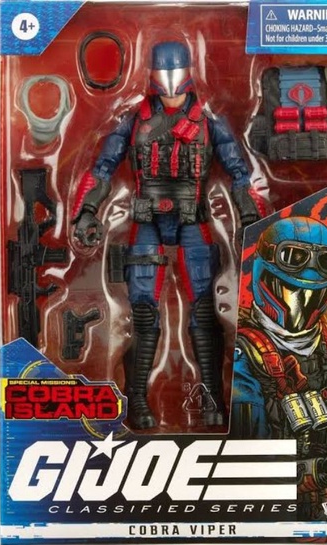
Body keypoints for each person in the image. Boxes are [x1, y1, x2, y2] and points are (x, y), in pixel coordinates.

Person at [72, 41, 261, 430]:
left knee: (204, 312)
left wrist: (249, 218)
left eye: (175, 71)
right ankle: (138, 401)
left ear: (188, 71)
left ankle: (213, 400)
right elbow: (103, 168)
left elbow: (240, 173)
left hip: (194, 219)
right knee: (144, 313)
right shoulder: (133, 119)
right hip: (147, 220)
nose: (170, 81)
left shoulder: (208, 120)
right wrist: (87, 211)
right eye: (164, 71)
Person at [231, 216, 327, 520]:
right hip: (266, 515)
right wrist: (319, 471)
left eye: (312, 294)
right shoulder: (244, 355)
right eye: (291, 291)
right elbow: (241, 469)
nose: (301, 303)